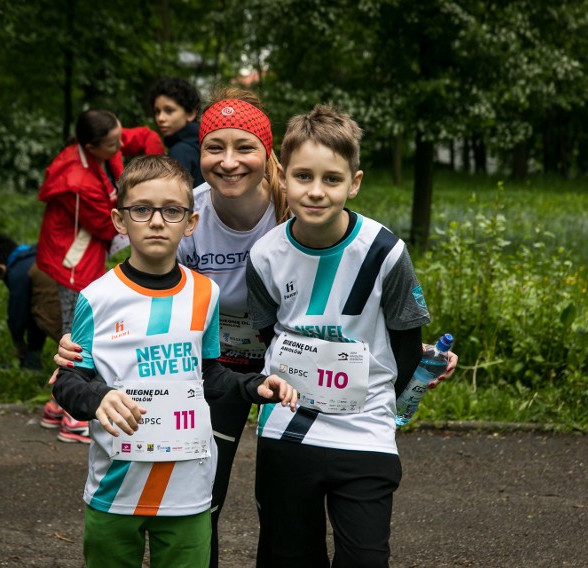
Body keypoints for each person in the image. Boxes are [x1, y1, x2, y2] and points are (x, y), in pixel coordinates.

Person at [53, 90, 457, 566]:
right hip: (212, 366)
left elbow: (348, 289)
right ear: (199, 154)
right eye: (213, 147)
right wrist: (83, 350)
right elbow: (143, 295)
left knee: (297, 521)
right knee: (204, 504)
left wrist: (400, 350)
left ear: (269, 158)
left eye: (243, 147)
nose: (228, 162)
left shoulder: (300, 202)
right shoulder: (184, 211)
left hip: (278, 371)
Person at [51, 154, 297, 568]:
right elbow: (67, 381)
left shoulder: (205, 295)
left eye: (172, 211)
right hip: (116, 489)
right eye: (141, 210)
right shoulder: (96, 297)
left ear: (191, 222)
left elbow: (210, 375)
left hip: (188, 490)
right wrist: (97, 398)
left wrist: (254, 386)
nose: (157, 221)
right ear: (118, 220)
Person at [247, 104, 440, 567]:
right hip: (287, 431)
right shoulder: (264, 254)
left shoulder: (386, 252)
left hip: (365, 431)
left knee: (366, 559)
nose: (316, 192)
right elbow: (265, 334)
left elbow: (406, 345)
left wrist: (383, 401)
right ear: (282, 177)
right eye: (303, 177)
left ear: (354, 182)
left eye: (332, 179)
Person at [36, 109, 164, 443]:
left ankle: (54, 407)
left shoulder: (104, 145)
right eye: (113, 143)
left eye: (120, 136)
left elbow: (143, 137)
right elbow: (107, 226)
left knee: (73, 329)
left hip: (82, 254)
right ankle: (71, 415)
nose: (121, 144)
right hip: (73, 260)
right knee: (75, 337)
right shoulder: (76, 182)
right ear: (93, 147)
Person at [0, 235, 61, 369]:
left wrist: (18, 342)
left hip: (67, 324)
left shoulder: (18, 272)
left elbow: (17, 316)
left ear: (1, 267)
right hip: (86, 305)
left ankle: (31, 363)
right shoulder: (37, 254)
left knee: (34, 310)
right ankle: (32, 360)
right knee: (35, 306)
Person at [149, 77, 204, 186]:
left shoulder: (180, 150)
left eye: (169, 111)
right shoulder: (203, 141)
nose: (160, 118)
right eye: (157, 111)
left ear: (191, 114)